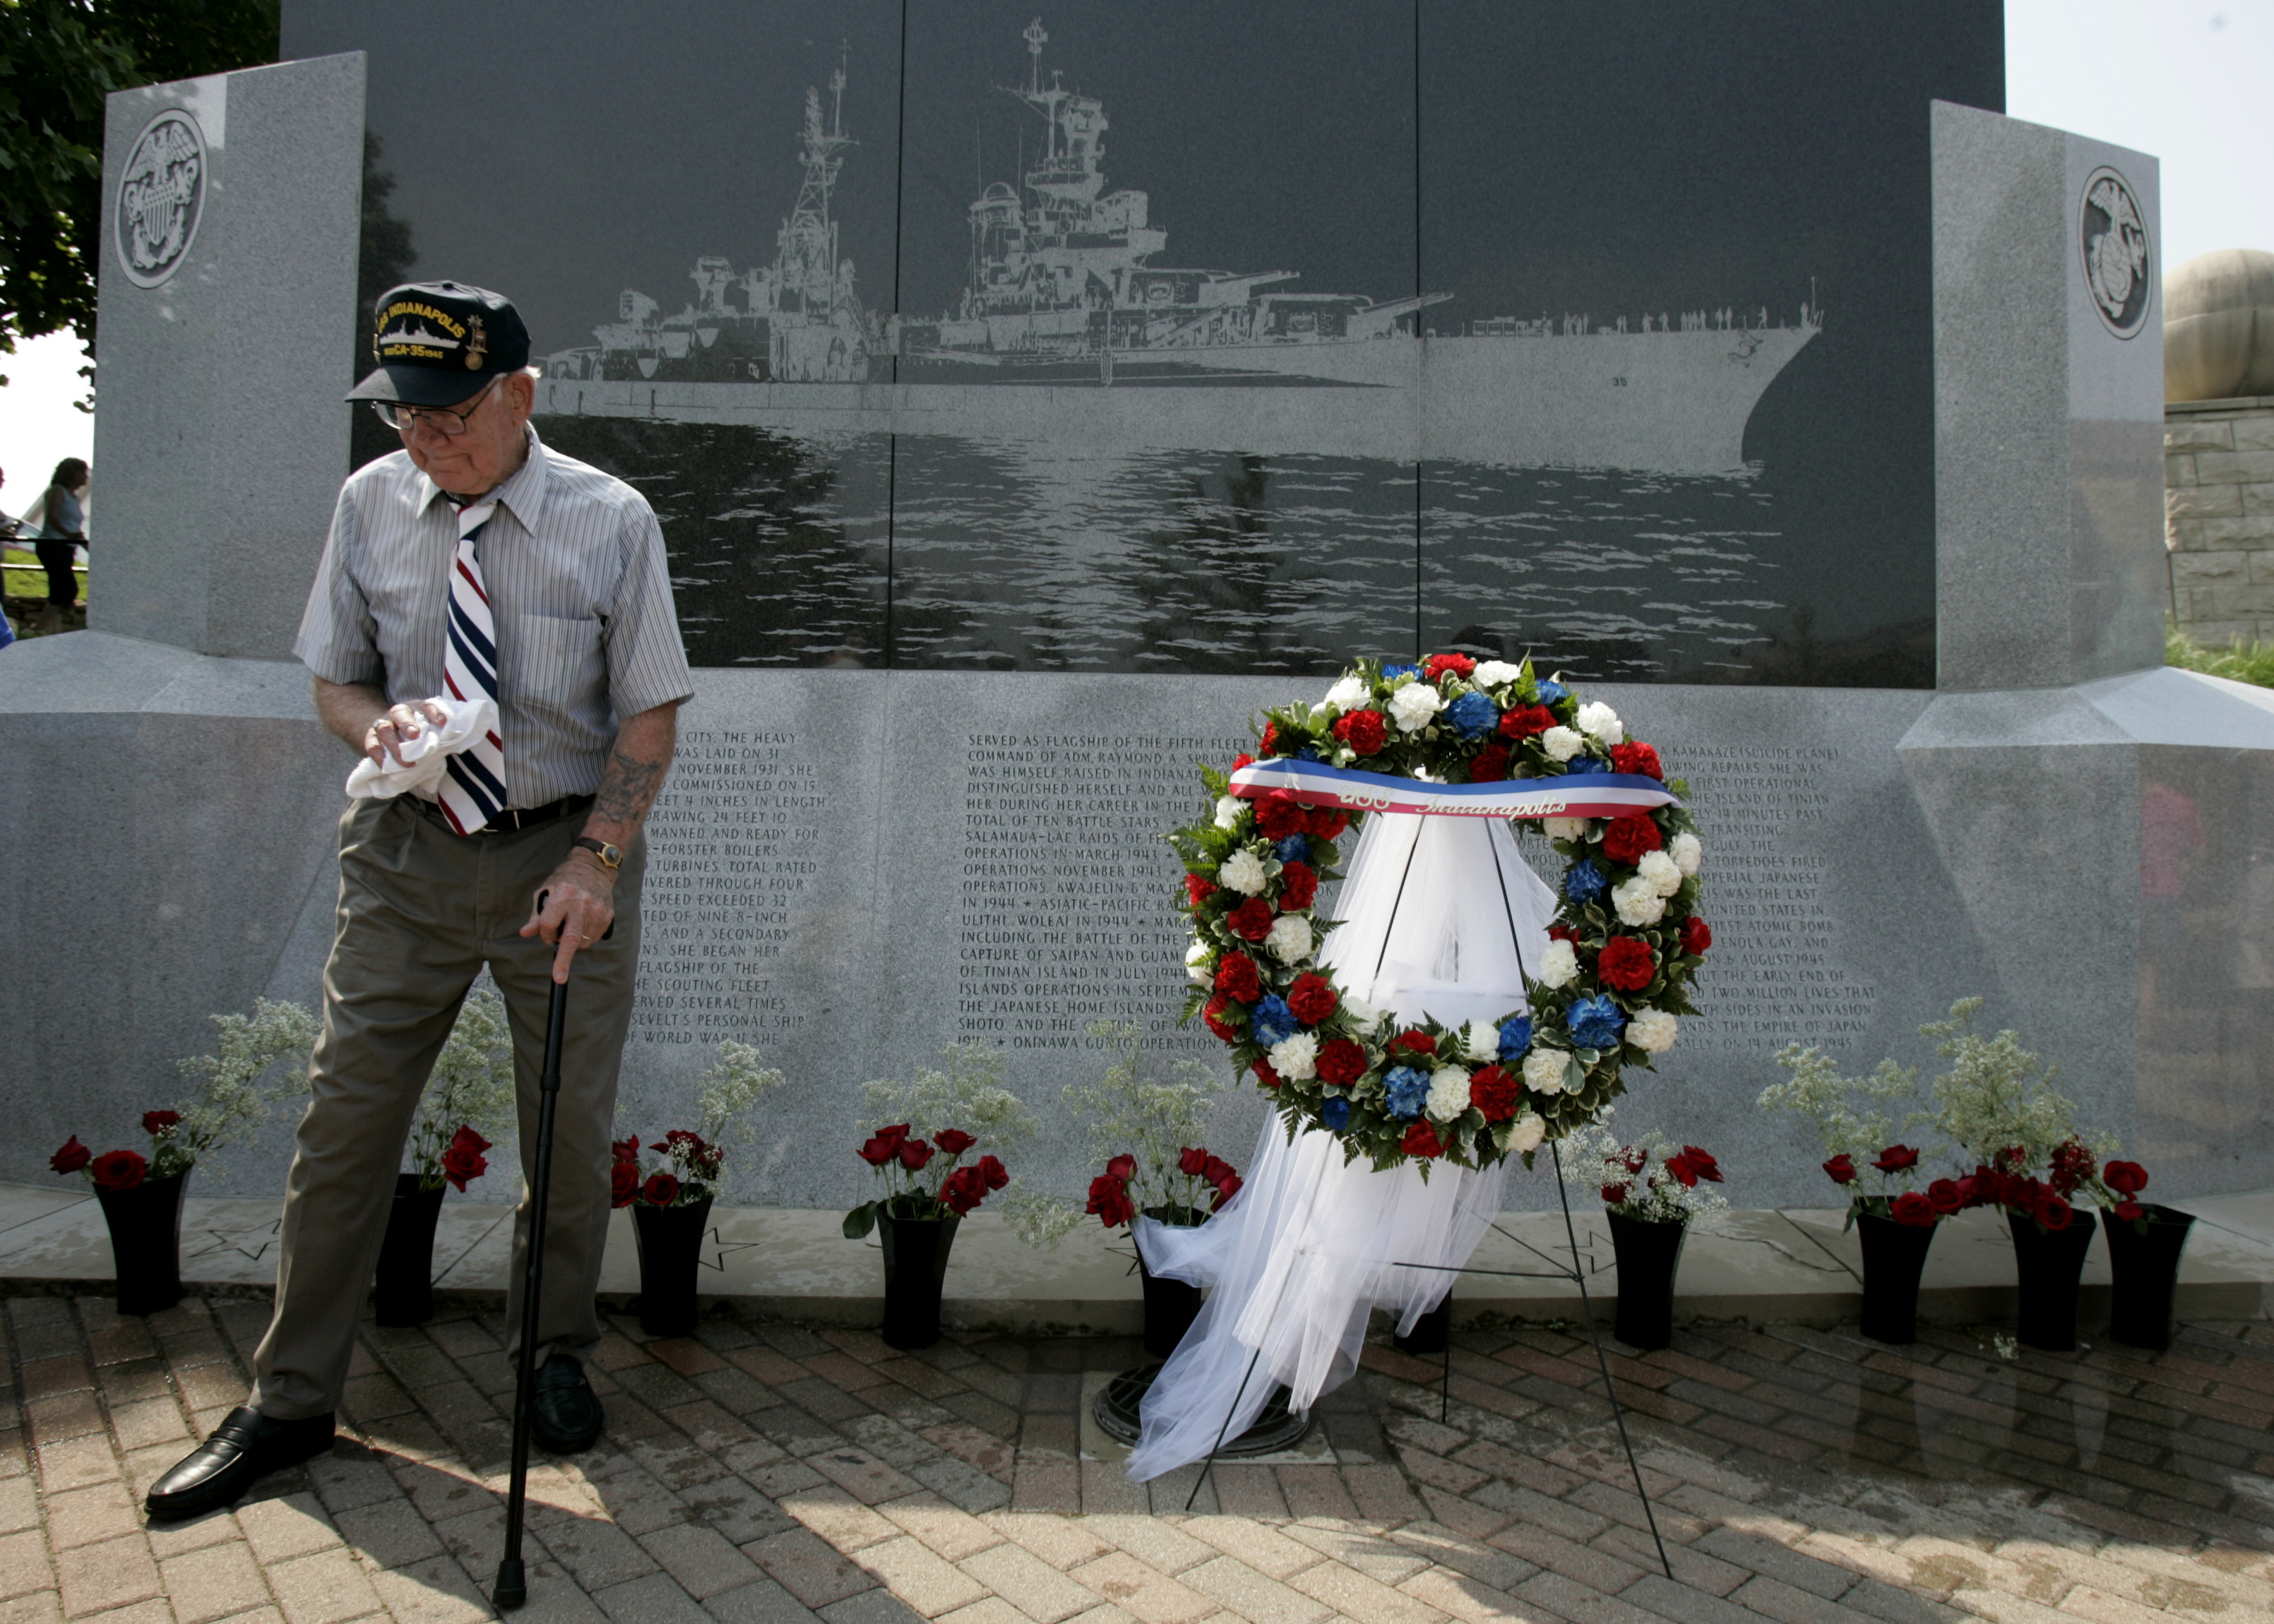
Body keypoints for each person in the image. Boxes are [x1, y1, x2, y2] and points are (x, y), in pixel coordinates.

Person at [145, 282, 694, 1519]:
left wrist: (597, 861)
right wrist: (376, 721)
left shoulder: (611, 520)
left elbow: (649, 709)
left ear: (521, 396)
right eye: (404, 416)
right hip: (404, 854)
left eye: (450, 415)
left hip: (562, 859)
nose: (425, 440)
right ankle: (289, 1399)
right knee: (344, 1122)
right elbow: (333, 683)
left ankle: (551, 1352)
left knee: (564, 1128)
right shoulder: (368, 504)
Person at [32, 457, 88, 635]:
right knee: (67, 588)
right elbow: (52, 518)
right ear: (73, 474)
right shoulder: (58, 491)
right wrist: (68, 534)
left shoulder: (74, 498)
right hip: (52, 544)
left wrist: (78, 539)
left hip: (66, 547)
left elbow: (74, 525)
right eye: (83, 473)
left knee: (58, 589)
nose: (86, 478)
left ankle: (50, 629)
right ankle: (39, 628)